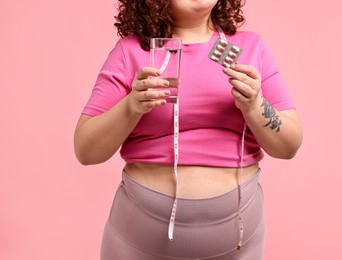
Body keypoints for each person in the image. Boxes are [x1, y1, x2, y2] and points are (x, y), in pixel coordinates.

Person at [74, 0, 303, 259]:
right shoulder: (132, 52)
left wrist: (255, 105)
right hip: (137, 243)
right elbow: (86, 150)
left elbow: (289, 146)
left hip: (237, 244)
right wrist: (131, 106)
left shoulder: (250, 49)